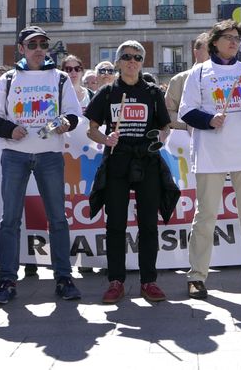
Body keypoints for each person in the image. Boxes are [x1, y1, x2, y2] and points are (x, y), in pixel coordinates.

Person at [0, 27, 82, 306]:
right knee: (10, 220)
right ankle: (7, 280)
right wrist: (9, 129)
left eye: (43, 44)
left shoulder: (60, 78)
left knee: (58, 219)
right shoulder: (8, 78)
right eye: (33, 44)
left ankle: (64, 277)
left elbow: (74, 114)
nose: (39, 48)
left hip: (50, 153)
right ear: (21, 48)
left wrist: (67, 123)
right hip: (15, 154)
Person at [179, 20, 241, 299]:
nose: (234, 42)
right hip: (211, 153)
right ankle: (196, 276)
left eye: (237, 38)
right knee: (205, 216)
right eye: (228, 37)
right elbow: (186, 111)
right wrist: (208, 120)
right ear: (214, 41)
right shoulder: (199, 72)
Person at [86, 41, 176, 303]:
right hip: (117, 161)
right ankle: (116, 281)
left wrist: (160, 136)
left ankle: (149, 281)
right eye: (126, 56)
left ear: (142, 61)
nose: (132, 61)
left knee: (148, 223)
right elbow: (91, 128)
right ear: (118, 61)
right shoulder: (106, 93)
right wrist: (105, 140)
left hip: (146, 161)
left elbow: (165, 128)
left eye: (137, 57)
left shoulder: (152, 92)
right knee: (115, 224)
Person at [166, 33, 209, 131]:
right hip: (187, 142)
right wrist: (189, 124)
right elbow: (167, 113)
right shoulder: (178, 80)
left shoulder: (223, 80)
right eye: (209, 50)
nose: (213, 55)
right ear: (196, 53)